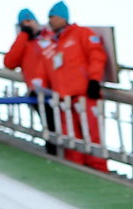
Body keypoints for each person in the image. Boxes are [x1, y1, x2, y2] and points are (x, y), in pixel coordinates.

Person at [42, 1, 108, 171]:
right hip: (63, 97)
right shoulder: (53, 42)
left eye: (53, 17)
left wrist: (94, 80)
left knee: (92, 134)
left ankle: (98, 169)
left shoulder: (81, 34)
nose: (50, 21)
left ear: (63, 17)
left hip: (84, 94)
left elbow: (96, 55)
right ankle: (77, 168)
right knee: (71, 136)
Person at [3, 8, 57, 155]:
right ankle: (53, 154)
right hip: (37, 92)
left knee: (60, 126)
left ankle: (64, 154)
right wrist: (23, 35)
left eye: (29, 21)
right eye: (23, 23)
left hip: (56, 90)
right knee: (49, 126)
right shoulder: (24, 42)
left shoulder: (50, 37)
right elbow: (10, 62)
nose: (27, 25)